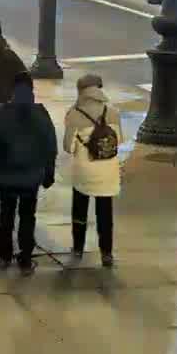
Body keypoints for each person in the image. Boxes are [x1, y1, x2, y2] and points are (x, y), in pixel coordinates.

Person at [0, 73, 55, 273]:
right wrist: (49, 172)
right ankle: (25, 258)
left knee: (6, 214)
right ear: (31, 90)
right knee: (28, 216)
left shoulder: (0, 112)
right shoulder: (41, 113)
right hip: (32, 176)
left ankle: (5, 255)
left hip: (5, 175)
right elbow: (50, 145)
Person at [62, 72, 121, 266]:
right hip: (108, 171)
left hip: (84, 171)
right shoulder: (112, 112)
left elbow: (68, 147)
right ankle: (107, 252)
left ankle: (78, 248)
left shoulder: (75, 114)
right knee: (105, 212)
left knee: (79, 209)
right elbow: (119, 140)